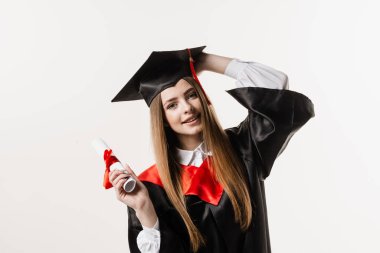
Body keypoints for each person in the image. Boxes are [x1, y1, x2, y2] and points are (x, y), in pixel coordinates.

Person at [108, 46, 315, 253]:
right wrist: (145, 210)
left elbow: (276, 87)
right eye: (172, 105)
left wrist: (204, 61)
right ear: (162, 120)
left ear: (204, 97)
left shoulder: (244, 147)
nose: (187, 107)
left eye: (191, 95)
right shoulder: (152, 187)